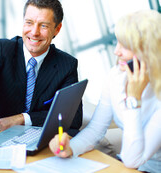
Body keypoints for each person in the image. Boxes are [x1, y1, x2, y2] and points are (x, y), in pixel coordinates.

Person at [49, 9, 161, 173]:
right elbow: (96, 129)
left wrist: (134, 99)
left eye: (126, 46)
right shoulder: (116, 76)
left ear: (148, 50)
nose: (117, 51)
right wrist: (70, 148)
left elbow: (132, 160)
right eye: (117, 42)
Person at [0, 0, 82, 136]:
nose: (34, 32)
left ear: (57, 29)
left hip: (36, 139)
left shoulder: (67, 64)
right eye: (29, 23)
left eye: (44, 25)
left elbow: (73, 117)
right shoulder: (1, 49)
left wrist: (23, 119)